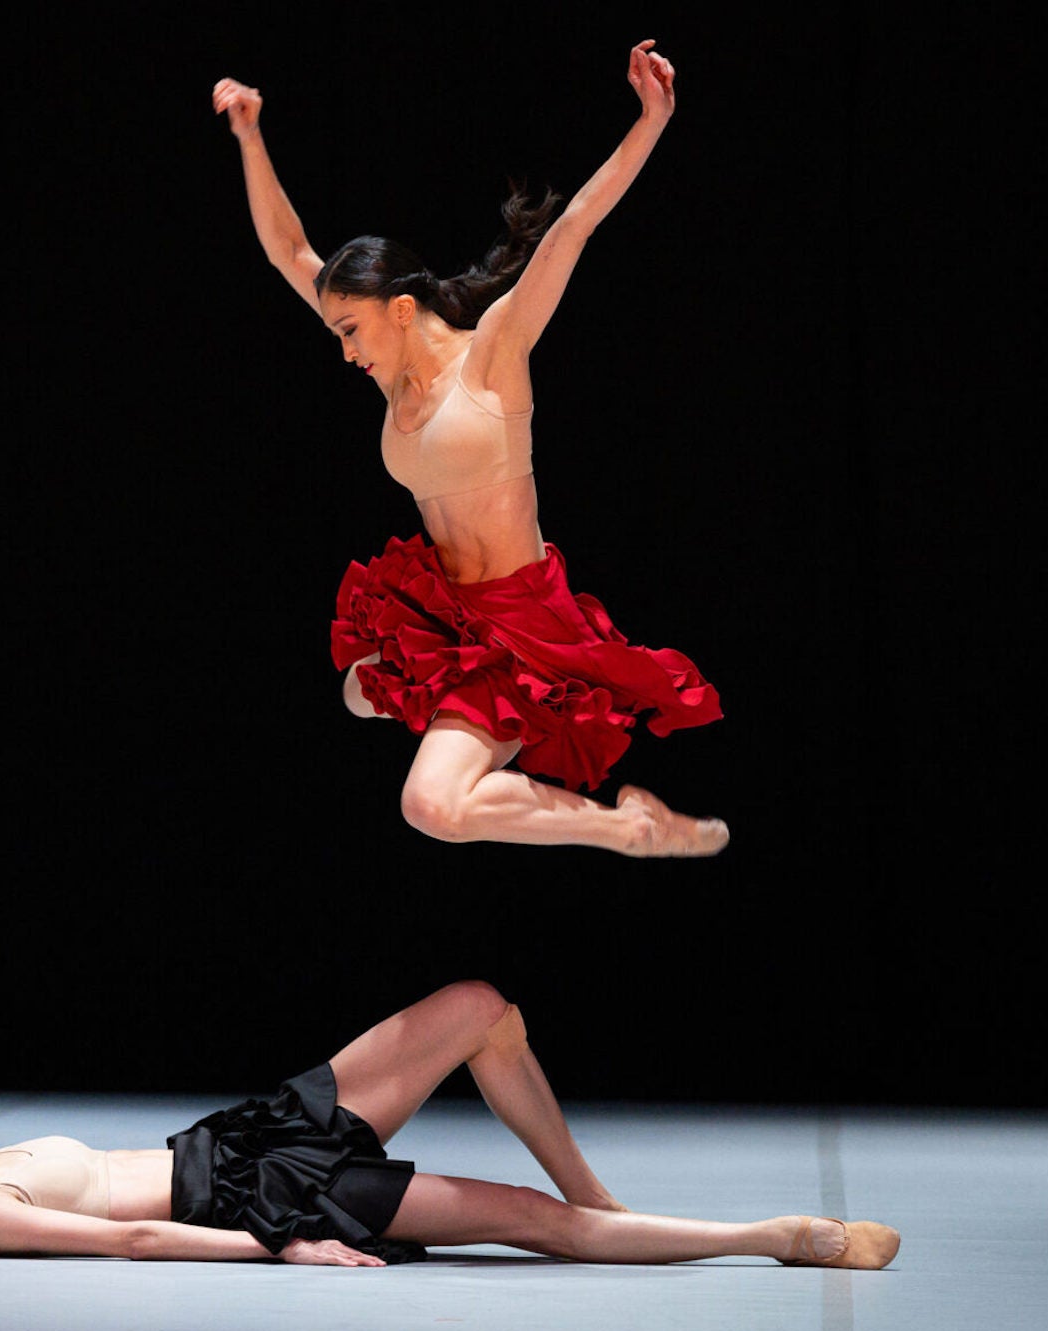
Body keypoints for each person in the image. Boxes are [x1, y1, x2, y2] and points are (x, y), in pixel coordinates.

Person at [210, 41, 732, 858]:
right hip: (452, 614)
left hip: (520, 620)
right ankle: (617, 823)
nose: (344, 350)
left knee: (433, 804)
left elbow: (573, 227)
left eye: (352, 329)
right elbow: (290, 252)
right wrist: (249, 136)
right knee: (355, 690)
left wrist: (653, 119)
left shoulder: (493, 356)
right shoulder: (393, 382)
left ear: (403, 310)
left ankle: (632, 829)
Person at [0, 980, 901, 1270]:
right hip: (256, 1197)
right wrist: (282, 1242)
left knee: (477, 1009)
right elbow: (131, 1238)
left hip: (237, 1138)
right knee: (525, 1222)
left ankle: (601, 1197)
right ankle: (770, 1236)